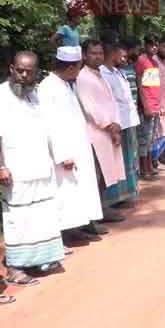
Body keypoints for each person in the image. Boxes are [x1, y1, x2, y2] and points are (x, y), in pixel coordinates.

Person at [1, 51, 65, 286]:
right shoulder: (2, 96)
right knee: (18, 218)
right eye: (20, 70)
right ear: (11, 69)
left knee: (41, 215)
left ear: (36, 73)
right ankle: (14, 267)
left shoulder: (34, 95)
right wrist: (1, 166)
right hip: (16, 169)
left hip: (39, 166)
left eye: (29, 71)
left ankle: (40, 260)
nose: (24, 75)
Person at [39, 46, 105, 247]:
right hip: (64, 152)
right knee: (64, 193)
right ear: (70, 67)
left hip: (78, 146)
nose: (79, 71)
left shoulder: (68, 84)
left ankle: (74, 228)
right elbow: (49, 125)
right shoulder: (48, 87)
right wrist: (62, 155)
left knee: (77, 191)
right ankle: (63, 233)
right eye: (78, 67)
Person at [75, 40, 127, 224]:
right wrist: (109, 126)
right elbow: (90, 108)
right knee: (96, 175)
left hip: (110, 131)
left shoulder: (100, 75)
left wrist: (117, 125)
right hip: (95, 133)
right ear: (84, 55)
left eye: (100, 53)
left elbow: (112, 102)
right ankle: (93, 217)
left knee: (106, 174)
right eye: (93, 53)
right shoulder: (82, 77)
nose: (97, 56)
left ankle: (103, 208)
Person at [100, 42, 141, 209]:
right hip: (117, 123)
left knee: (129, 159)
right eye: (121, 55)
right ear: (113, 53)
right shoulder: (102, 74)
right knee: (119, 161)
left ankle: (128, 193)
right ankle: (116, 197)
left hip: (129, 120)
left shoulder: (117, 72)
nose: (124, 58)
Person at [135, 36, 162, 179]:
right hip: (147, 106)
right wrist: (145, 106)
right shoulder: (141, 61)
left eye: (156, 45)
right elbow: (140, 85)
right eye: (152, 45)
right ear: (145, 46)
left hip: (156, 104)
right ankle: (144, 168)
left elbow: (155, 85)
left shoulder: (155, 62)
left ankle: (150, 165)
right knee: (144, 138)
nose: (155, 48)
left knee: (152, 138)